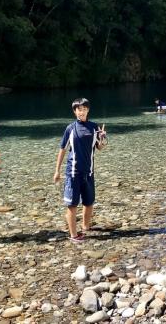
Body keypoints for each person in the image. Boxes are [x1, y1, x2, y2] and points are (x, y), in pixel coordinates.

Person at [53, 98, 107, 243]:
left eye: (83, 109)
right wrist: (57, 171)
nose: (81, 112)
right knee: (72, 204)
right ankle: (73, 235)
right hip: (73, 172)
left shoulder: (94, 127)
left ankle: (85, 227)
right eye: (78, 109)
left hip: (89, 172)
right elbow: (62, 149)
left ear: (88, 110)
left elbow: (100, 148)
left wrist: (103, 138)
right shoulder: (70, 128)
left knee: (89, 202)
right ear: (74, 111)